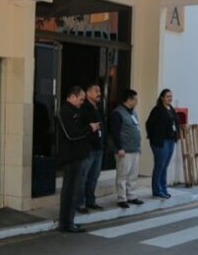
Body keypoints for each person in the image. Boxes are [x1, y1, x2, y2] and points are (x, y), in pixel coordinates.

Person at [56, 86, 99, 233]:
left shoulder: (75, 111)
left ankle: (69, 221)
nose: (82, 102)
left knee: (73, 191)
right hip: (71, 157)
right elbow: (72, 134)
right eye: (80, 99)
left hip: (78, 155)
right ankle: (66, 223)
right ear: (72, 97)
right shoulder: (65, 112)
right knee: (70, 191)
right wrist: (89, 128)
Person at [109, 89, 144, 209]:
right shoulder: (117, 113)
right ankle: (121, 198)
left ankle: (132, 196)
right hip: (124, 150)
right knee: (123, 175)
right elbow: (114, 133)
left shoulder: (133, 112)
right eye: (135, 99)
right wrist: (119, 148)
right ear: (129, 99)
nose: (137, 101)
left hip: (134, 149)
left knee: (133, 175)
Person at [145, 89, 180, 199]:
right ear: (162, 98)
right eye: (167, 96)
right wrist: (155, 138)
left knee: (165, 166)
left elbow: (175, 123)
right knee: (160, 165)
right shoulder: (157, 110)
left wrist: (176, 134)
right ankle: (156, 190)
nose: (170, 98)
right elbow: (149, 124)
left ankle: (163, 188)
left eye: (171, 96)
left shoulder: (171, 109)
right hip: (161, 142)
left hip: (170, 141)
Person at [77, 83, 105, 213]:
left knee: (94, 176)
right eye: (96, 91)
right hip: (88, 148)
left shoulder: (98, 108)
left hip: (98, 147)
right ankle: (80, 203)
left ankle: (90, 200)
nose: (99, 93)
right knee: (83, 176)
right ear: (88, 93)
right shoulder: (84, 108)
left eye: (99, 91)